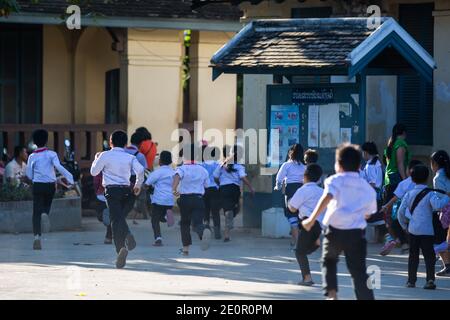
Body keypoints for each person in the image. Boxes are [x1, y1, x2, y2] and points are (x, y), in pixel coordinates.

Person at [302, 144, 377, 300]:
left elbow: (327, 197)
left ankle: (332, 295)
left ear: (338, 164)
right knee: (358, 272)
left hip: (334, 231)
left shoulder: (334, 180)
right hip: (356, 234)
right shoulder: (366, 187)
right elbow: (369, 214)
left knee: (328, 262)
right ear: (359, 165)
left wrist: (311, 219)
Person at [90, 130, 144, 269]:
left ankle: (120, 248)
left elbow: (94, 172)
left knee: (115, 221)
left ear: (110, 142)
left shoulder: (105, 155)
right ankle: (127, 235)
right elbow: (140, 170)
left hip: (112, 191)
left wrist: (97, 158)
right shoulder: (130, 157)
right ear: (126, 144)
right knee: (119, 218)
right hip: (127, 191)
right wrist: (138, 184)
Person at [397, 165, 449, 289]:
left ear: (412, 179)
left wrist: (404, 226)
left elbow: (400, 212)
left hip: (413, 230)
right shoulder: (431, 194)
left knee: (413, 256)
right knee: (429, 257)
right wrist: (447, 196)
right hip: (427, 231)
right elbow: (438, 206)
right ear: (427, 178)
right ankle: (430, 280)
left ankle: (411, 281)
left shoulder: (409, 194)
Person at [26, 129, 74, 250]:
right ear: (46, 140)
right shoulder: (52, 154)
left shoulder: (32, 156)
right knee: (46, 205)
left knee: (35, 212)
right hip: (50, 185)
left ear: (35, 142)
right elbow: (58, 166)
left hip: (38, 185)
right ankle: (45, 213)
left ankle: (37, 237)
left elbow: (29, 175)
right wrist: (70, 177)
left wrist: (35, 177)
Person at [288, 164, 325, 286]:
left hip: (307, 223)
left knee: (299, 252)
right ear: (319, 178)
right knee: (303, 250)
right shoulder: (322, 191)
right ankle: (315, 242)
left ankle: (307, 278)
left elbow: (292, 208)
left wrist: (289, 203)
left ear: (305, 176)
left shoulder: (303, 190)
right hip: (318, 226)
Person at [172, 143, 211, 255]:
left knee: (185, 223)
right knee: (197, 222)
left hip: (185, 199)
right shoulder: (203, 170)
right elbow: (207, 185)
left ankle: (185, 249)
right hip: (198, 199)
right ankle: (203, 231)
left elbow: (177, 176)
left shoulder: (182, 168)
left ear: (184, 156)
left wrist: (174, 189)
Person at [379, 160, 422, 256]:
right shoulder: (423, 185)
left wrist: (386, 206)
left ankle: (401, 242)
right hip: (420, 213)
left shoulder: (404, 183)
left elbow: (396, 197)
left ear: (410, 170)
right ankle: (404, 242)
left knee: (395, 224)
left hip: (406, 212)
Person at [214, 145, 255, 242]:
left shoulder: (222, 165)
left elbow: (215, 176)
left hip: (223, 189)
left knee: (228, 210)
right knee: (233, 210)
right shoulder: (239, 167)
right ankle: (227, 233)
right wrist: (251, 188)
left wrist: (219, 184)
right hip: (234, 189)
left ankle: (228, 223)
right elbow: (243, 178)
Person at [275, 144, 306, 246]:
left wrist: (278, 187)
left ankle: (296, 243)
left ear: (290, 153)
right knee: (299, 217)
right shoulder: (305, 166)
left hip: (291, 191)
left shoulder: (286, 165)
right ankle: (295, 241)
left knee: (292, 217)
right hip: (302, 191)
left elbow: (279, 179)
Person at [144, 151, 175, 246]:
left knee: (155, 219)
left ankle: (158, 238)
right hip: (170, 199)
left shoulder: (157, 172)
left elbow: (147, 184)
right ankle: (166, 216)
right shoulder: (173, 172)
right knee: (162, 216)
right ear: (170, 161)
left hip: (158, 200)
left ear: (160, 161)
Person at [430, 150, 450, 276]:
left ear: (435, 164)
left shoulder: (438, 177)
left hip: (445, 212)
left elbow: (439, 198)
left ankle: (446, 265)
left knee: (440, 239)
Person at [125, 133, 148, 219]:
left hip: (124, 178)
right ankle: (145, 215)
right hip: (135, 178)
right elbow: (144, 169)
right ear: (140, 144)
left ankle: (125, 213)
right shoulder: (140, 156)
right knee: (142, 196)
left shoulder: (123, 152)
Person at [201, 144, 222, 239]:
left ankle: (206, 227)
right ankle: (217, 231)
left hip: (204, 189)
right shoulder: (218, 164)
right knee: (215, 211)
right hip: (215, 189)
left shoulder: (202, 165)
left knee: (205, 209)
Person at [93, 172, 112, 244]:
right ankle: (109, 236)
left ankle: (109, 236)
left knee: (105, 216)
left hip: (102, 195)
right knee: (108, 216)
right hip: (110, 195)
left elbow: (95, 182)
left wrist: (97, 191)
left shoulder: (99, 168)